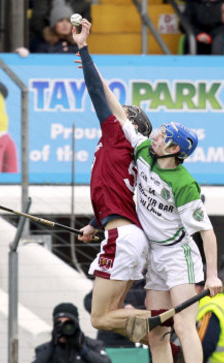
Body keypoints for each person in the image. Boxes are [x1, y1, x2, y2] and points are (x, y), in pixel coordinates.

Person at [83, 15, 222, 363]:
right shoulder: (141, 152)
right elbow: (109, 99)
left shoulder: (184, 184)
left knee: (182, 325)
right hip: (154, 257)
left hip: (180, 254)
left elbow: (207, 232)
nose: (157, 135)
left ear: (177, 150)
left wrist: (212, 274)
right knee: (158, 330)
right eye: (157, 131)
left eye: (165, 135)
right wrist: (86, 53)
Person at [73, 20, 153, 343]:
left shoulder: (119, 133)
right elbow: (116, 193)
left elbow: (96, 93)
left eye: (125, 112)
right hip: (126, 234)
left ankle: (176, 324)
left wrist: (84, 48)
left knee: (100, 317)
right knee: (121, 318)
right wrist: (95, 224)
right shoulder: (125, 149)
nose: (119, 111)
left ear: (131, 123)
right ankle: (166, 343)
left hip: (123, 237)